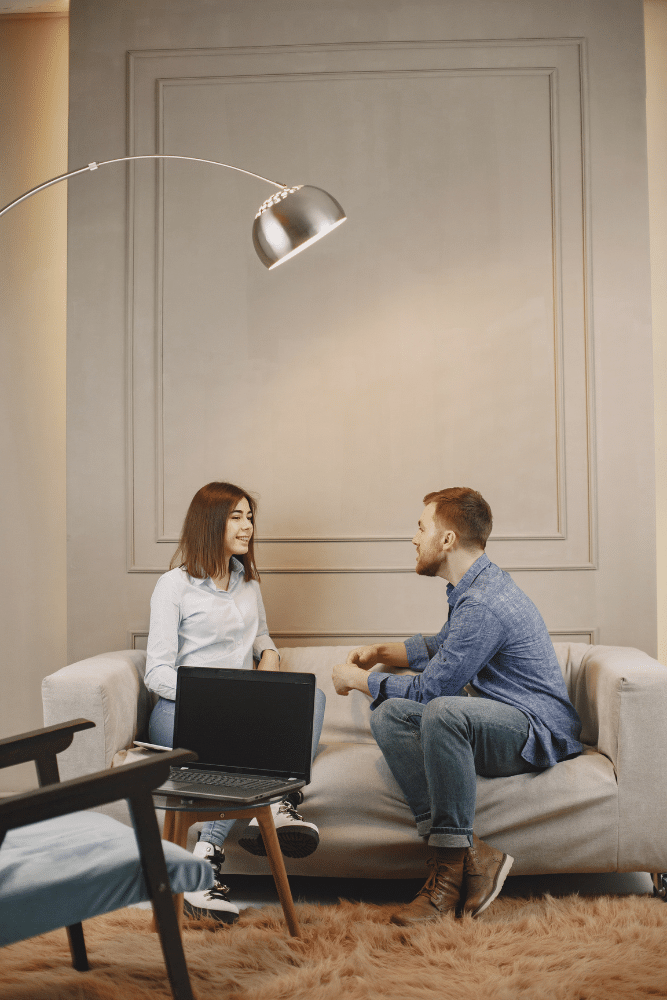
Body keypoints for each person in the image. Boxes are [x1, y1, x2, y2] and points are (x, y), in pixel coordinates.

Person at [332, 487, 582, 926]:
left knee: (444, 710)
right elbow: (444, 646)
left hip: (535, 728)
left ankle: (445, 880)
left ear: (446, 540)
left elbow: (432, 692)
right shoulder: (474, 588)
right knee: (389, 713)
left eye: (420, 527)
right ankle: (474, 854)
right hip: (500, 716)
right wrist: (380, 651)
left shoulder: (484, 602)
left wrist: (361, 681)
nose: (414, 538)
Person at [145, 481, 325, 922]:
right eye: (236, 517)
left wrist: (270, 656)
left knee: (313, 698)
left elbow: (262, 636)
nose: (247, 527)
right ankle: (265, 810)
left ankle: (219, 848)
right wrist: (216, 700)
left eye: (249, 517)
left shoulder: (249, 583)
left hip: (242, 713)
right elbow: (156, 672)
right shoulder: (174, 586)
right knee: (242, 748)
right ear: (211, 524)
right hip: (179, 712)